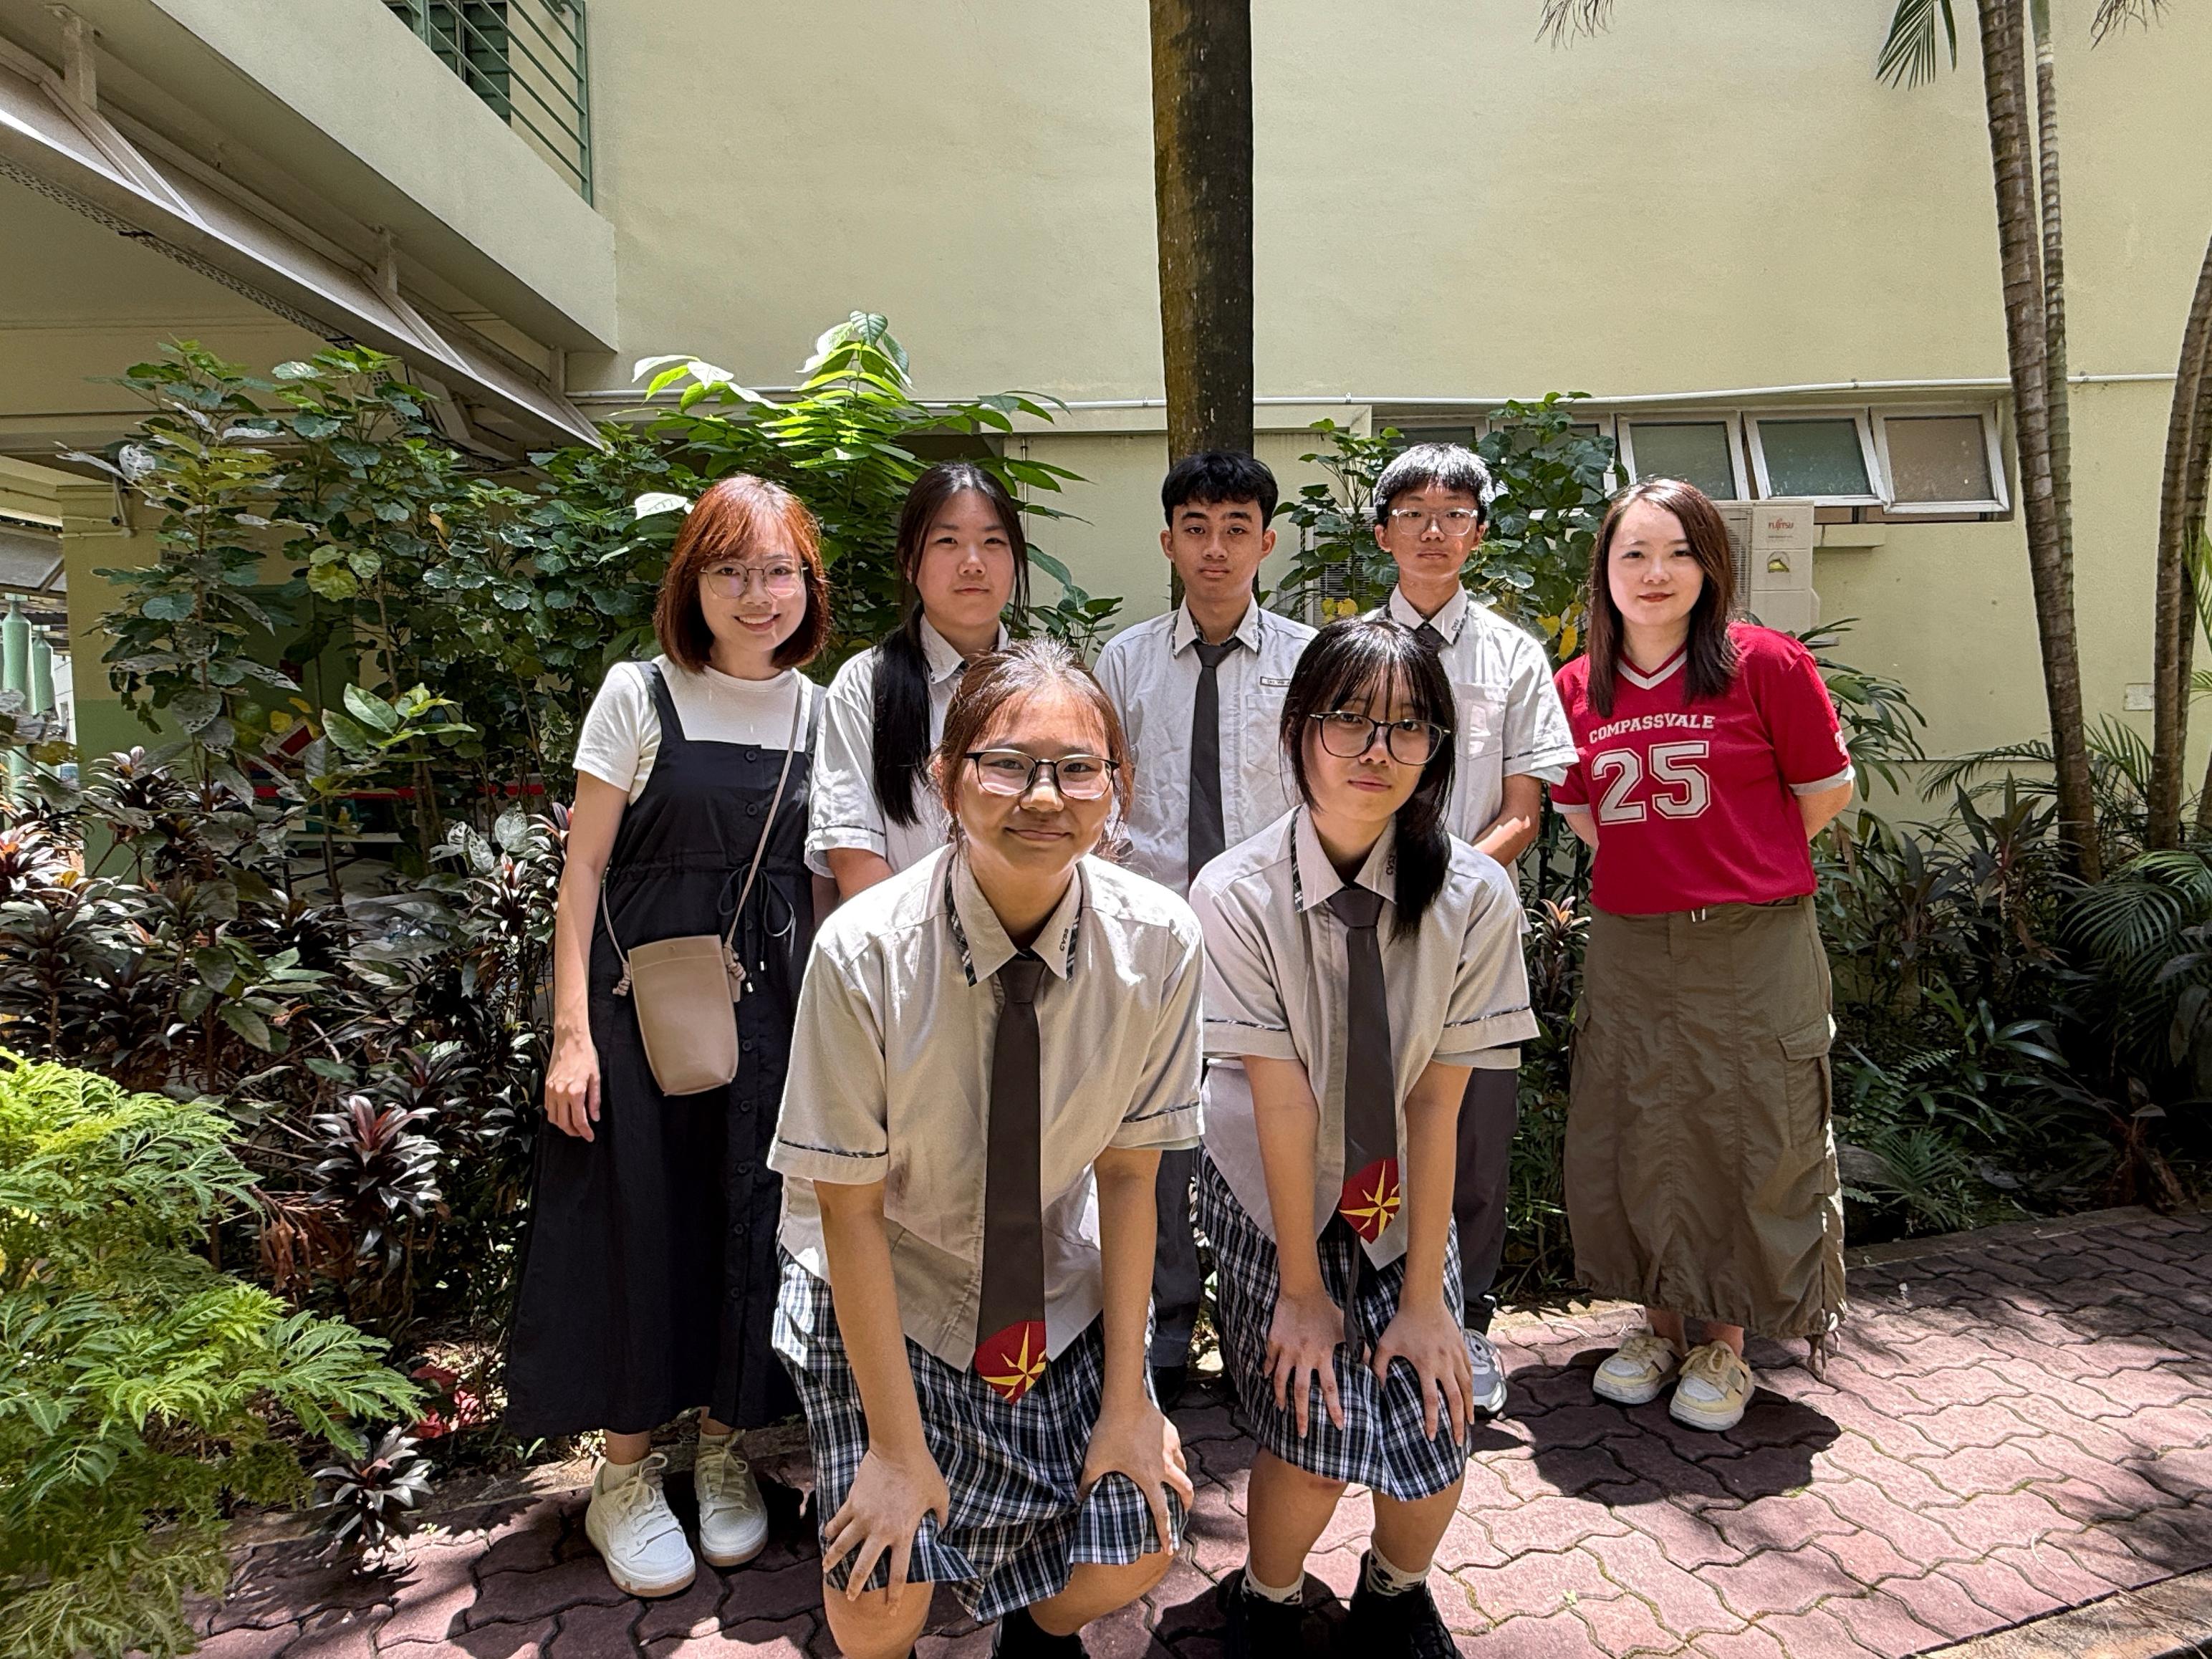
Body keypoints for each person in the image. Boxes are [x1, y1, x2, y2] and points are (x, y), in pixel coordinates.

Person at [769, 640, 1199, 1659]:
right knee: (879, 1579)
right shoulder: (864, 953)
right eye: (1007, 763)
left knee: (1140, 1535)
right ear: (946, 781)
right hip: (891, 1282)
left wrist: (1131, 1402)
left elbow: (1133, 1177)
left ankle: (1034, 1636)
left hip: (1053, 1279)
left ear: (1117, 788)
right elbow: (849, 1207)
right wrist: (894, 1449)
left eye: (1078, 768)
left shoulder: (1161, 944)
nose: (1044, 797)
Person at [508, 475, 837, 1598]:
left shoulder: (820, 708)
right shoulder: (637, 695)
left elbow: (825, 880)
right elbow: (582, 872)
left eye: (780, 570)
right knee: (639, 1222)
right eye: (730, 570)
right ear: (691, 582)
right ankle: (625, 1472)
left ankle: (724, 1451)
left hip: (772, 1015)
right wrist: (568, 1036)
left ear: (809, 586)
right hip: (636, 1007)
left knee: (749, 1217)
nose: (758, 594)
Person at [1191, 617, 1539, 1658]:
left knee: (1438, 1410)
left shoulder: (1475, 896)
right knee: (1313, 1425)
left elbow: (1438, 1101)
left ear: (1438, 748)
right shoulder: (1236, 893)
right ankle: (1268, 1591)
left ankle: (1397, 1588)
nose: (1376, 750)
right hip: (1273, 1186)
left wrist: (1432, 1298)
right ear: (1299, 731)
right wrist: (1302, 1290)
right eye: (1349, 720)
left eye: (1406, 727)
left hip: (1403, 1191)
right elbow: (1281, 1097)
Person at [1551, 477, 1855, 1433]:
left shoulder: (1767, 665)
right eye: (1633, 552)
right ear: (1604, 570)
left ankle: (1724, 1346)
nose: (1655, 572)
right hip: (1636, 942)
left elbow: (1820, 798)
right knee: (1637, 1126)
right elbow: (1585, 818)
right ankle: (1656, 1327)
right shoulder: (1574, 687)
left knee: (1748, 1129)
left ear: (1710, 565)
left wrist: (1731, 862)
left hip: (1753, 941)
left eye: (1677, 551)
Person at [1093, 450, 1315, 1405]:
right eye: (1196, 528)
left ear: (1267, 542)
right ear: (1168, 542)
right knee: (1159, 1132)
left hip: (1272, 935)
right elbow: (1107, 796)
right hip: (1155, 936)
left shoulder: (1311, 660)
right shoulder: (1126, 660)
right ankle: (1170, 1317)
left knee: (1274, 1118)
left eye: (1236, 530)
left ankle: (1268, 1310)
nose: (1215, 549)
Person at [1370, 441, 1579, 1379]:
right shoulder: (1342, 655)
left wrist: (1436, 888)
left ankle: (1471, 1322)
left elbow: (1523, 814)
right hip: (1361, 928)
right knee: (1364, 1128)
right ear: (1382, 533)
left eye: (1454, 514)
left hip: (1474, 935)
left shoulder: (1514, 655)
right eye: (1413, 513)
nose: (1433, 531)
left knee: (1474, 1138)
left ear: (1479, 533)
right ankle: (1370, 1312)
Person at [809, 461, 1027, 900]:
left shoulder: (1049, 686)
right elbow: (853, 852)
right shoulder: (865, 685)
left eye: (992, 543)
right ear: (910, 562)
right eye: (948, 541)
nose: (973, 563)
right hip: (907, 954)